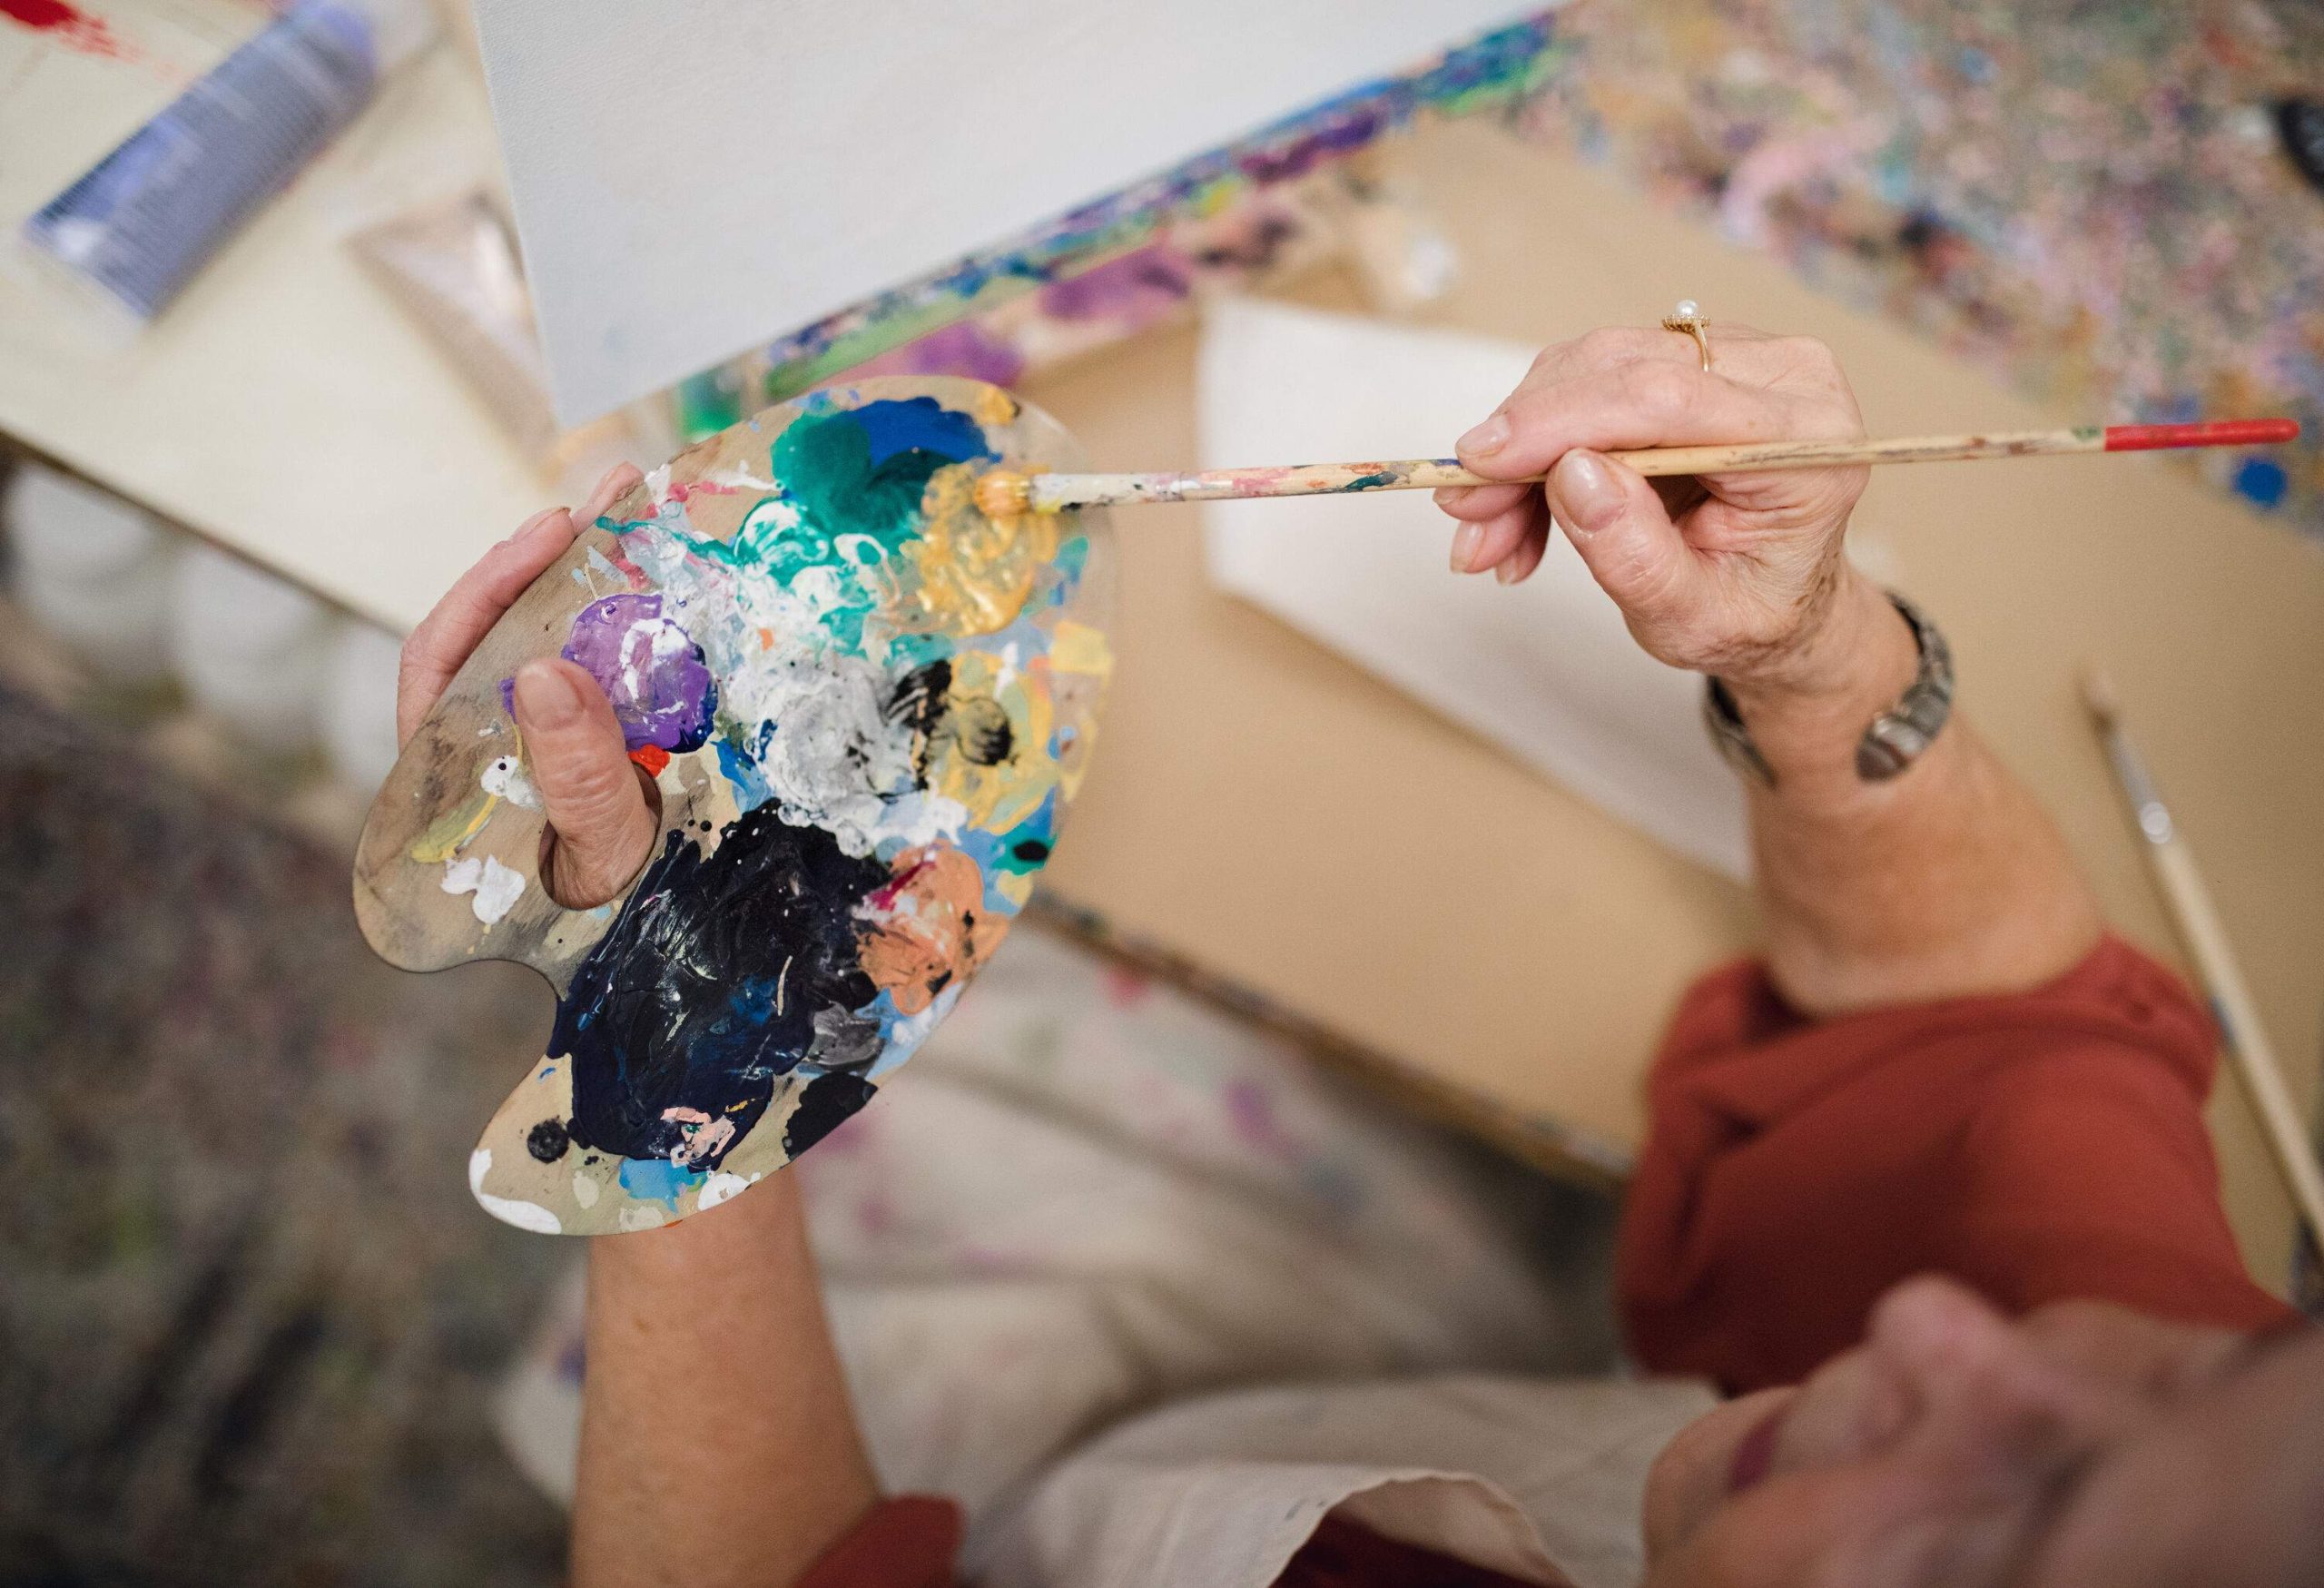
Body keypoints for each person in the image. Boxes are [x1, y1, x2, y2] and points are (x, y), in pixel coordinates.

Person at [398, 320, 2319, 1587]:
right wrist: (1810, 653)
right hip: (1369, 1388)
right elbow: (1992, 1038)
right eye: (2173, 1373)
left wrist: (677, 1052)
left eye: (1975, 1550)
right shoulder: (2174, 1442)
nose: (1933, 1332)